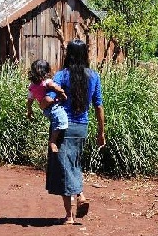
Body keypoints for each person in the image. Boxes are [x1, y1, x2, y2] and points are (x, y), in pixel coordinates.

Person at [48, 39, 106, 225]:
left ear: (69, 55)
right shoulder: (94, 76)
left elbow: (48, 98)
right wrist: (101, 132)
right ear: (85, 55)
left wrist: (42, 101)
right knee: (74, 163)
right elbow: (98, 106)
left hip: (62, 127)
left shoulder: (61, 76)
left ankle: (71, 211)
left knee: (64, 168)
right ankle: (78, 198)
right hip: (82, 127)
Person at [26, 59, 68, 153]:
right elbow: (55, 87)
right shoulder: (47, 82)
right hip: (54, 107)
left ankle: (53, 140)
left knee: (56, 122)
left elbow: (30, 100)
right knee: (62, 122)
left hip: (46, 110)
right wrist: (62, 92)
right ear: (46, 71)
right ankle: (53, 141)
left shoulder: (31, 86)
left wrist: (29, 110)